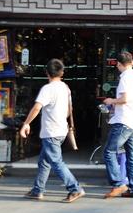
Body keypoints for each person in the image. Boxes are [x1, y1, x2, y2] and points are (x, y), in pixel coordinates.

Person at [19, 59, 85, 203]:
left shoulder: (48, 89)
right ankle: (37, 190)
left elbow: (37, 108)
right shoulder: (65, 88)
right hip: (61, 129)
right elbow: (69, 110)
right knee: (44, 162)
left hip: (51, 131)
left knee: (56, 162)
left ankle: (75, 188)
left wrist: (26, 123)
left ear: (47, 73)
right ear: (62, 72)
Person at [103, 51, 133, 198]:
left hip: (124, 121)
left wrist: (111, 101)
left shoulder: (125, 78)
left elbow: (124, 99)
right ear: (132, 62)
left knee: (109, 151)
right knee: (131, 155)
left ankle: (118, 184)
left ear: (119, 64)